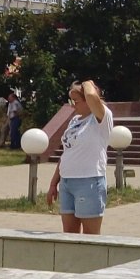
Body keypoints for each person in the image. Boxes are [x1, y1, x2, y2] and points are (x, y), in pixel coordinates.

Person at [46, 79, 111, 235]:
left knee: (90, 237)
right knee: (69, 234)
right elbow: (67, 153)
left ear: (89, 100)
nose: (73, 105)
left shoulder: (101, 117)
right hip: (67, 182)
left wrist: (87, 83)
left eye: (76, 101)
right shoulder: (75, 121)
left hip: (89, 181)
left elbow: (90, 95)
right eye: (71, 101)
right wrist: (54, 183)